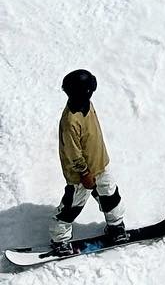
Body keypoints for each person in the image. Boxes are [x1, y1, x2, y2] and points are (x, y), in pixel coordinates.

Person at [51, 69, 126, 256]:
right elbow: (73, 153)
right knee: (72, 206)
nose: (92, 92)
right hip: (81, 175)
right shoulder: (70, 121)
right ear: (82, 92)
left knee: (110, 195)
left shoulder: (87, 104)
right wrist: (84, 174)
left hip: (100, 162)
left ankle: (116, 226)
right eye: (90, 90)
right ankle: (59, 239)